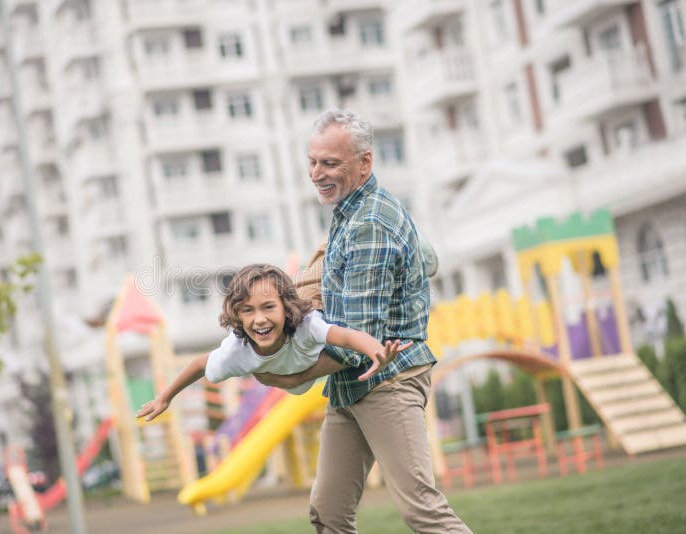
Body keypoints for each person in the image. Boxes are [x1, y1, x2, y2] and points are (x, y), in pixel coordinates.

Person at [254, 109, 472, 533]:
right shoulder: (350, 212)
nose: (317, 173)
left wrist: (287, 377)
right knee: (329, 513)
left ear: (364, 163)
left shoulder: (369, 222)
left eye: (330, 163)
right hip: (349, 383)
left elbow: (359, 337)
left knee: (423, 512)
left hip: (388, 378)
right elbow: (422, 262)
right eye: (313, 161)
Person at [135, 263, 412, 422]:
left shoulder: (306, 324)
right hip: (298, 367)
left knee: (322, 272)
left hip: (314, 311)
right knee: (312, 276)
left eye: (268, 307)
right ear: (237, 315)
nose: (258, 320)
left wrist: (376, 350)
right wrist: (164, 397)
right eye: (247, 311)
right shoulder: (236, 352)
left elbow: (347, 336)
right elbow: (198, 364)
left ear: (284, 308)